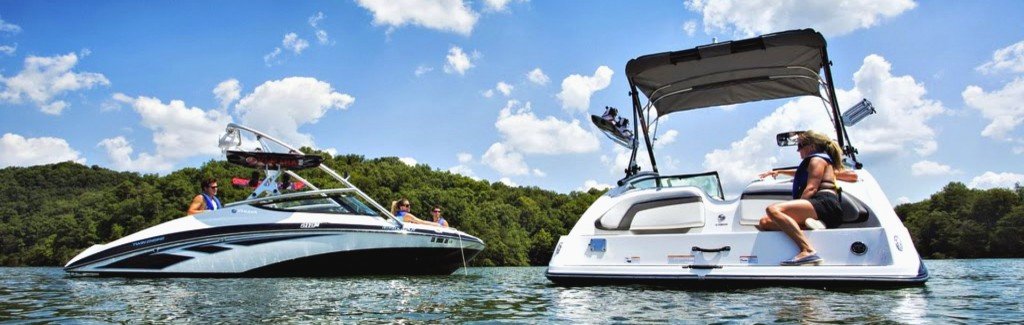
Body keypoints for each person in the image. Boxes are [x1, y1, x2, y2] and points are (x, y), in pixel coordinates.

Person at [755, 130, 846, 266]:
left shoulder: (817, 160)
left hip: (825, 203)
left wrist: (797, 204)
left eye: (800, 146)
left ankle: (808, 250)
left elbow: (811, 188)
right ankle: (809, 226)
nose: (798, 150)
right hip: (821, 206)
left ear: (812, 146)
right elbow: (800, 172)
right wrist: (779, 171)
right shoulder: (817, 161)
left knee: (773, 210)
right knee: (765, 222)